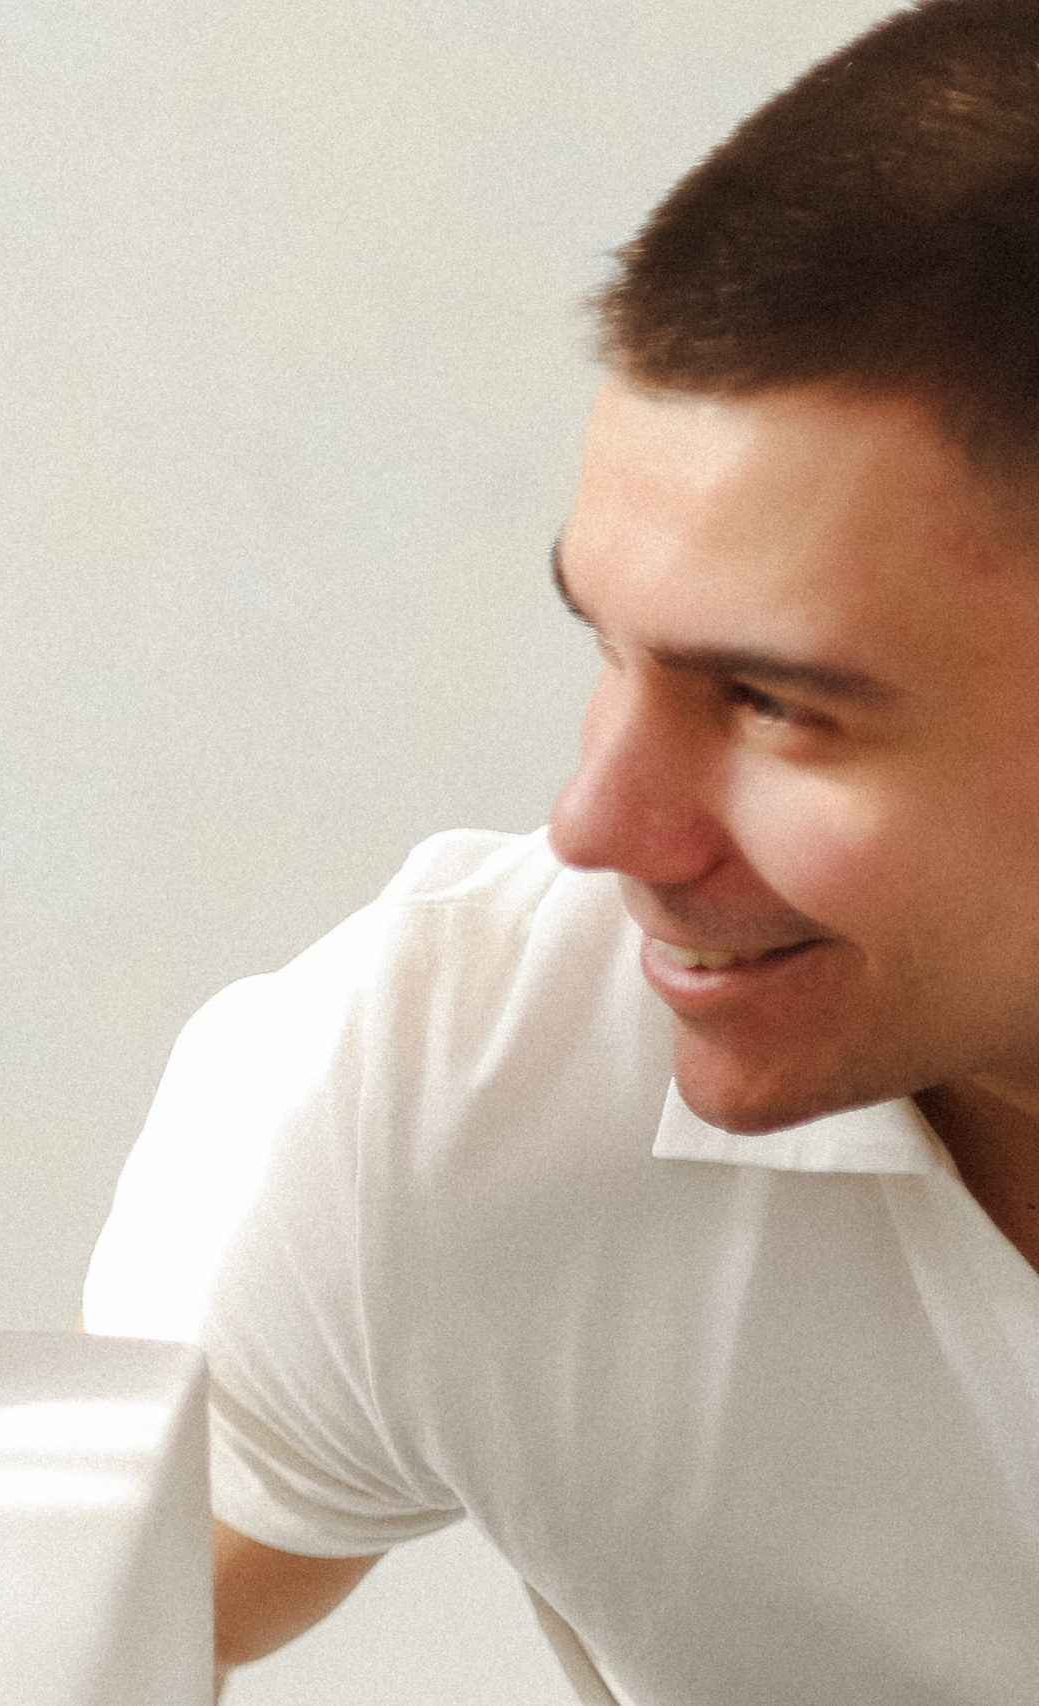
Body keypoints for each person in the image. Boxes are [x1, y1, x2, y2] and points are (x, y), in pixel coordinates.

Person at [86, 2, 1039, 1698]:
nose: (595, 824)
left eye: (773, 702)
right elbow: (26, 1642)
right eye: (608, 640)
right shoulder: (431, 1089)